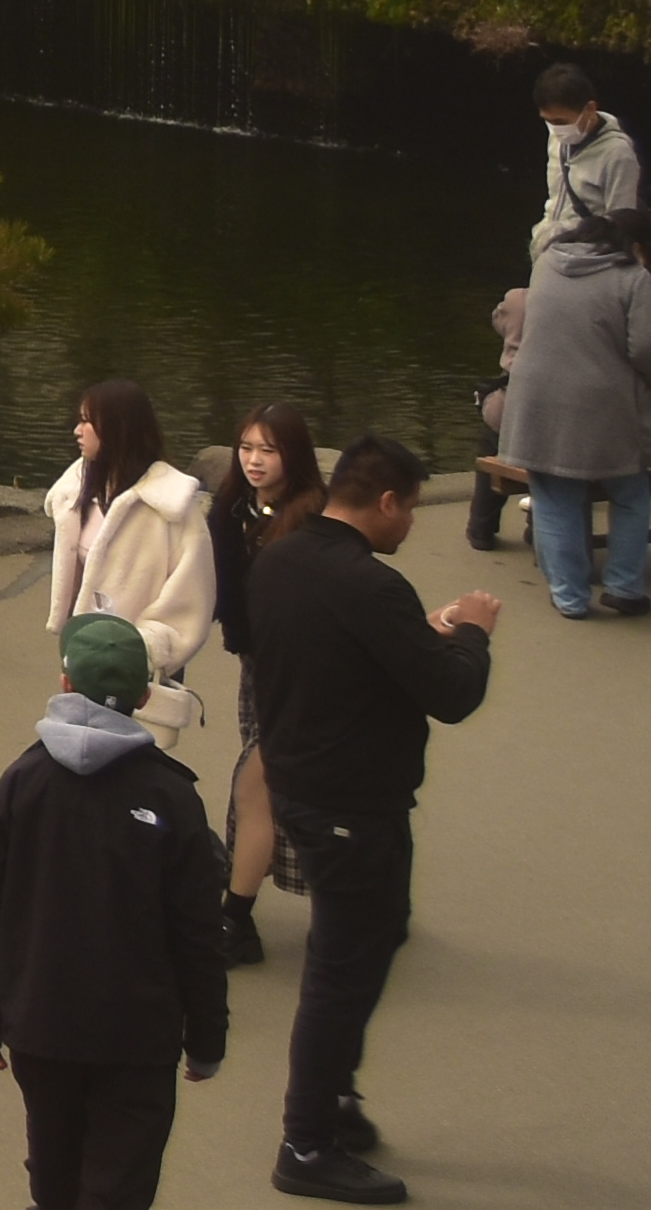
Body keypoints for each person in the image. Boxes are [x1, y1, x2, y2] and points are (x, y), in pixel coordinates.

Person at [246, 436, 490, 1202]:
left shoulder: (280, 560)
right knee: (342, 972)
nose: (411, 524)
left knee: (364, 948)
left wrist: (421, 633)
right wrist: (475, 632)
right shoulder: (369, 584)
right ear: (386, 502)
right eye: (412, 508)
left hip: (302, 786)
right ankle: (307, 1142)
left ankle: (335, 1100)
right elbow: (452, 696)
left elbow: (337, 653)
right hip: (353, 803)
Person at [0, 612, 231, 1210]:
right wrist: (207, 1034)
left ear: (64, 684)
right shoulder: (172, 795)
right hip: (138, 1037)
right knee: (121, 1181)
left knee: (53, 1168)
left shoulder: (23, 780)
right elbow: (198, 932)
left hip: (40, 1023)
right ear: (144, 696)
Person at [502, 217, 651, 617]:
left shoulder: (546, 265)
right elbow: (648, 348)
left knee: (554, 497)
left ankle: (569, 597)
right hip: (606, 403)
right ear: (634, 244)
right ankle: (624, 587)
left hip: (536, 400)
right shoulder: (633, 278)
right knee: (631, 493)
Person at [204, 399, 316, 972]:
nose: (253, 460)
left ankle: (236, 918)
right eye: (246, 448)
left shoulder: (311, 516)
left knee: (263, 779)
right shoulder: (230, 507)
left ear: (292, 455)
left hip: (304, 669)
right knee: (272, 779)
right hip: (257, 661)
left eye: (267, 450)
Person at [37, 379, 223, 708]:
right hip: (83, 654)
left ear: (117, 428)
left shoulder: (172, 506)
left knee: (132, 752)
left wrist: (145, 650)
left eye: (86, 421)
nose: (77, 432)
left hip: (138, 665)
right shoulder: (77, 490)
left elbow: (192, 596)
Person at [526, 61, 641, 257]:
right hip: (549, 251)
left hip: (586, 256)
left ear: (590, 109)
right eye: (548, 120)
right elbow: (555, 198)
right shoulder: (556, 138)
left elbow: (622, 223)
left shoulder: (618, 154)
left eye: (561, 122)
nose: (555, 129)